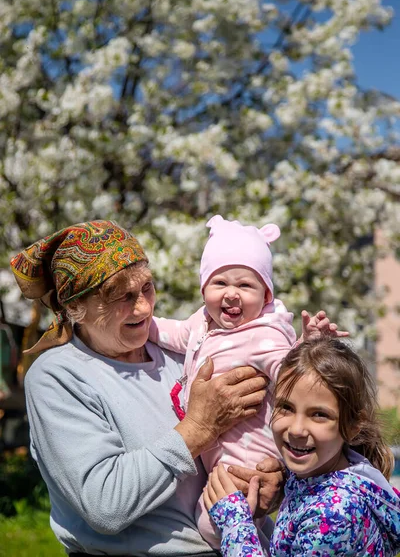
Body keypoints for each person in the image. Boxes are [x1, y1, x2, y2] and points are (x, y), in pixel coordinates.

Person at [9, 219, 285, 557]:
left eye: (146, 289)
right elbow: (106, 504)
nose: (143, 307)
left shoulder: (185, 351)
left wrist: (274, 482)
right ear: (75, 309)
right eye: (121, 297)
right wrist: (198, 428)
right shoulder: (58, 377)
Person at [149, 215, 347, 547]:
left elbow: (292, 373)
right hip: (216, 452)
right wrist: (142, 323)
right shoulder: (201, 322)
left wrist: (307, 344)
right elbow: (170, 332)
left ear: (266, 294)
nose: (232, 295)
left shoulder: (263, 335)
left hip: (246, 455)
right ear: (204, 288)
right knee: (221, 518)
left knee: (212, 522)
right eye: (220, 283)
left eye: (245, 285)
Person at [204, 338, 400, 556]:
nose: (297, 429)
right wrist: (285, 476)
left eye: (319, 414)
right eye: (286, 407)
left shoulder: (333, 514)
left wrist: (236, 525)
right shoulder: (325, 477)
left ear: (353, 426)